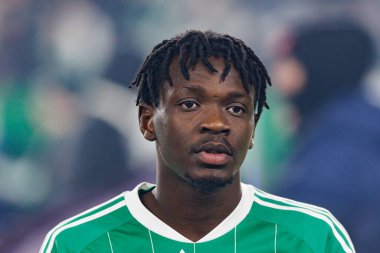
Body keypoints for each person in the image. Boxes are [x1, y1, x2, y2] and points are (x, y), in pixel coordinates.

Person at [39, 30, 355, 253]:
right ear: (147, 121)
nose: (216, 124)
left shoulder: (313, 237)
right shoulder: (78, 243)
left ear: (253, 129)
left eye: (236, 108)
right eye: (189, 104)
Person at [272, 20, 380, 253]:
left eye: (289, 62)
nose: (277, 77)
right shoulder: (356, 127)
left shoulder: (341, 147)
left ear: (318, 68)